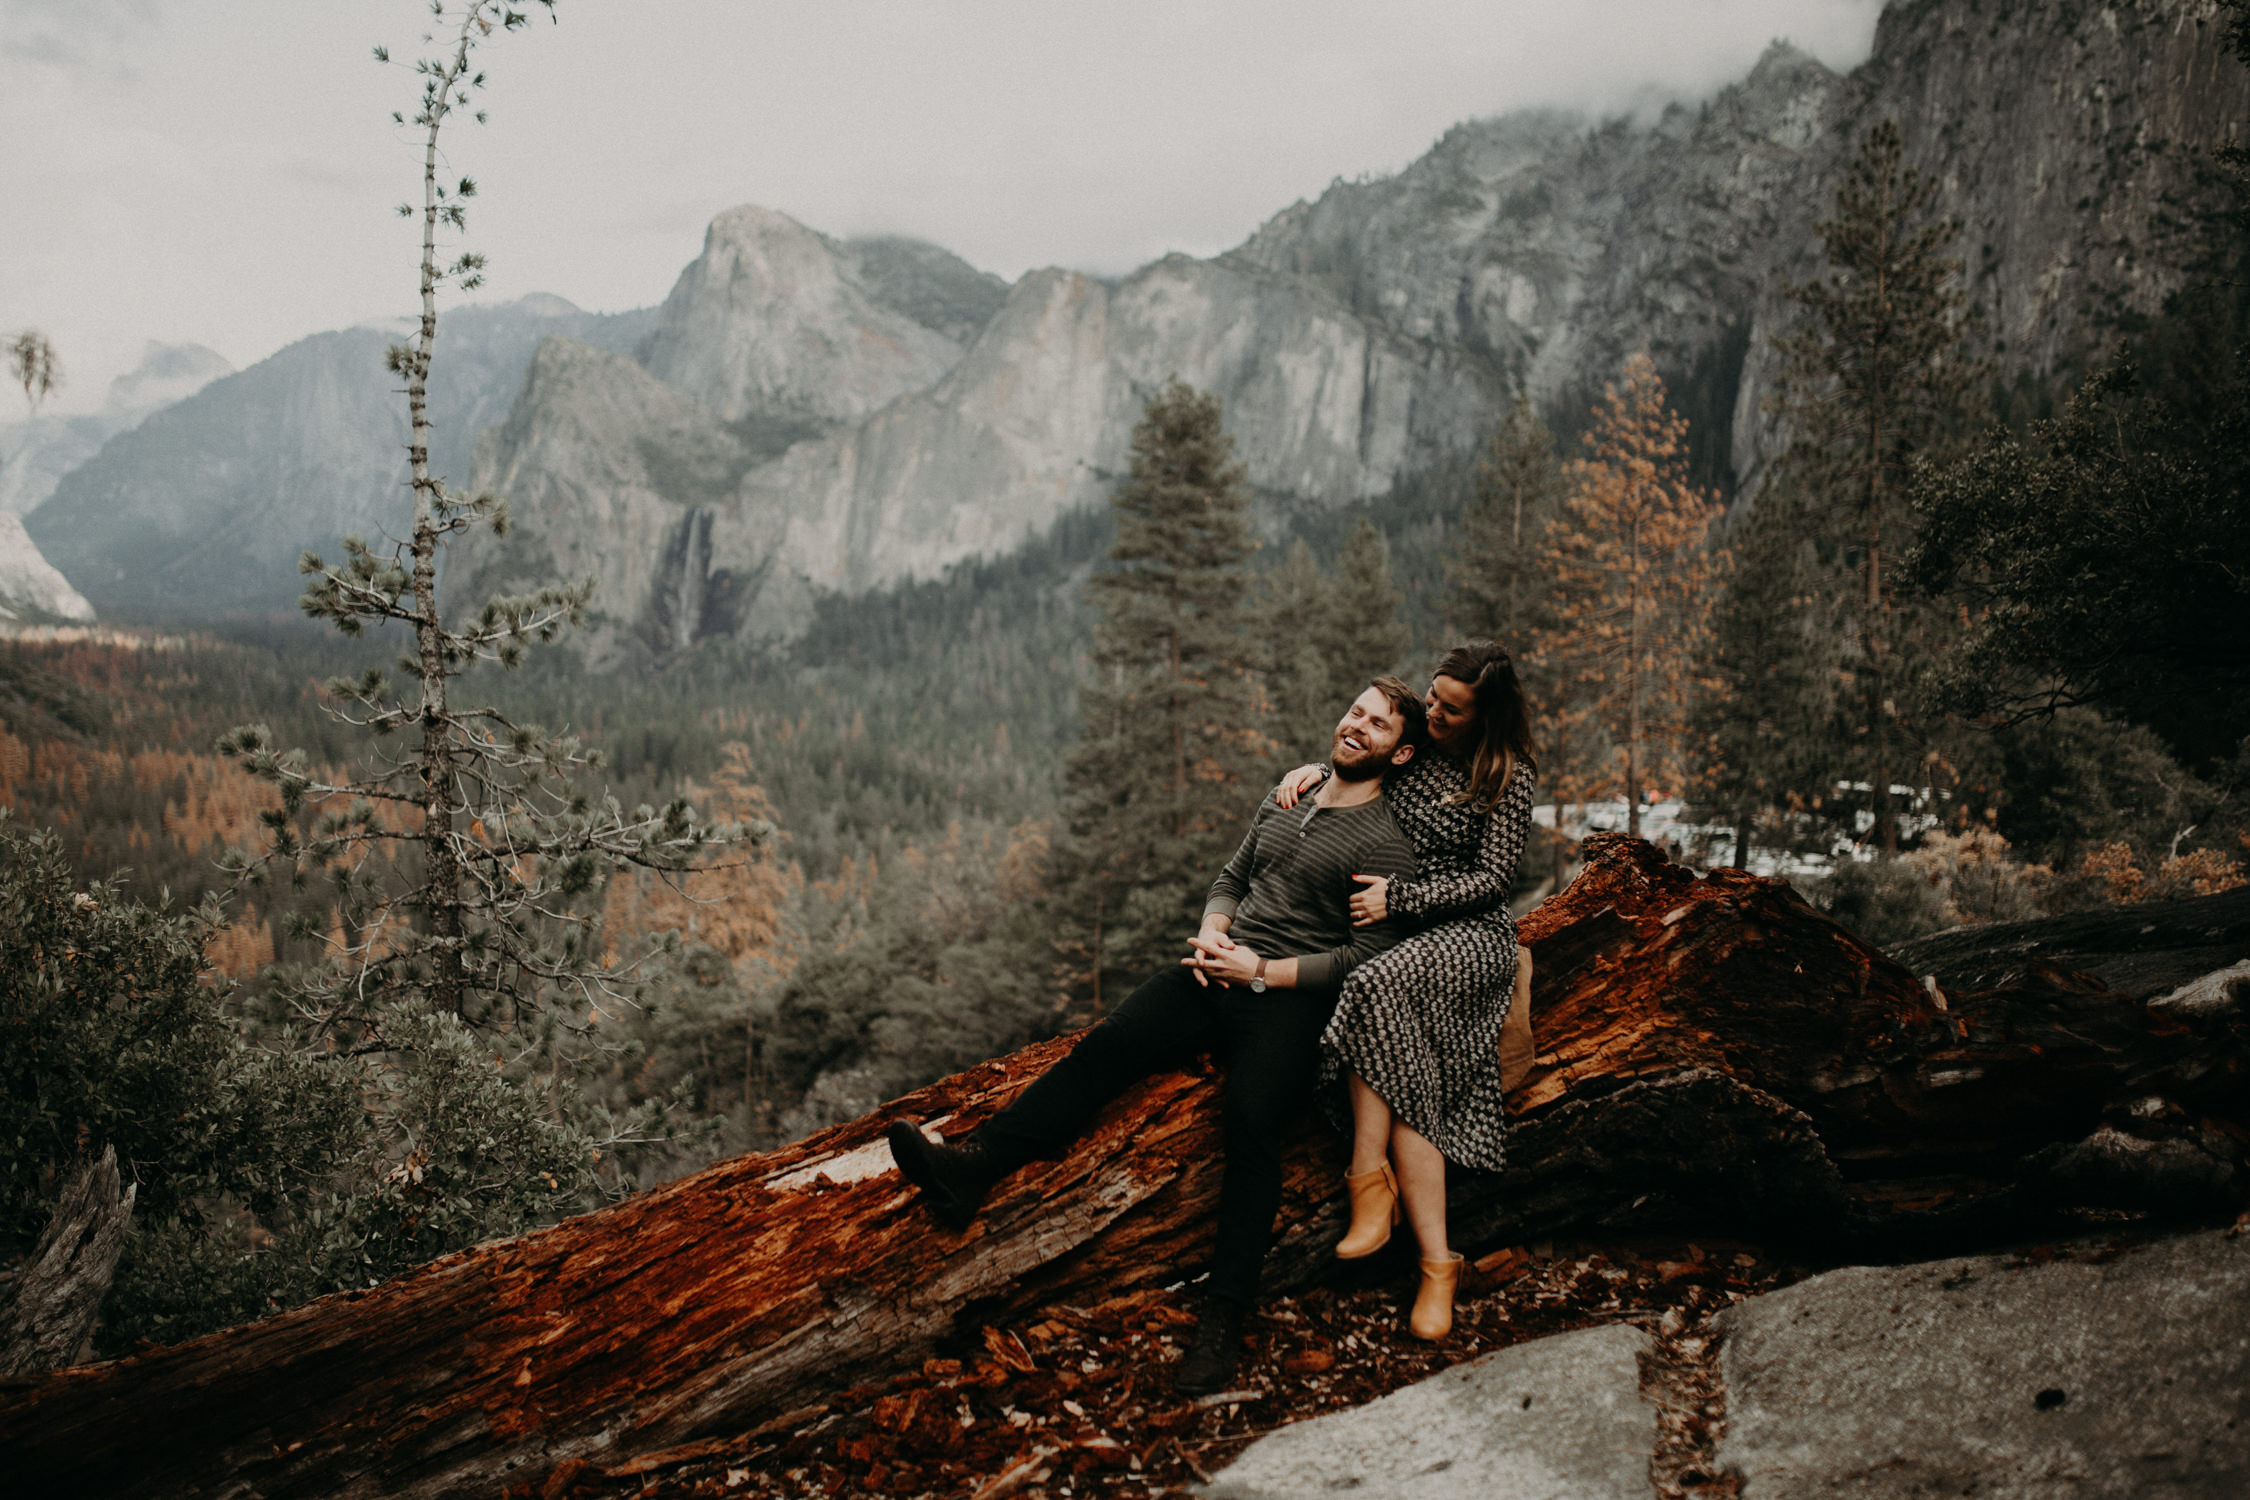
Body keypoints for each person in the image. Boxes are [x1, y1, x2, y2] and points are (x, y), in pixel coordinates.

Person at [887, 678, 1429, 1396]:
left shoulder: (1385, 840)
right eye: (1356, 712)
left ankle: (1223, 1319)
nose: (1358, 727)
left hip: (1286, 1001)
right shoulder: (1290, 794)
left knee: (1252, 1127)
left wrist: (1262, 970)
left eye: (1379, 725)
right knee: (1108, 1046)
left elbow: (1367, 958)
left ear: (1402, 752)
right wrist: (1214, 930)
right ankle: (971, 1168)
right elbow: (1233, 877)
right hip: (1216, 972)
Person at [1274, 640, 1538, 1342]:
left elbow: (1493, 881)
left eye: (1452, 709)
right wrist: (1313, 772)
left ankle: (1368, 1179)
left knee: (1372, 983)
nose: (1435, 713)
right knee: (1403, 1057)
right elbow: (1361, 761)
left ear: (1486, 715)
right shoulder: (1416, 747)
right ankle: (1437, 1263)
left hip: (1467, 933)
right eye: (1433, 698)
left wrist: (1406, 898)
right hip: (1396, 926)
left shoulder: (1507, 775)